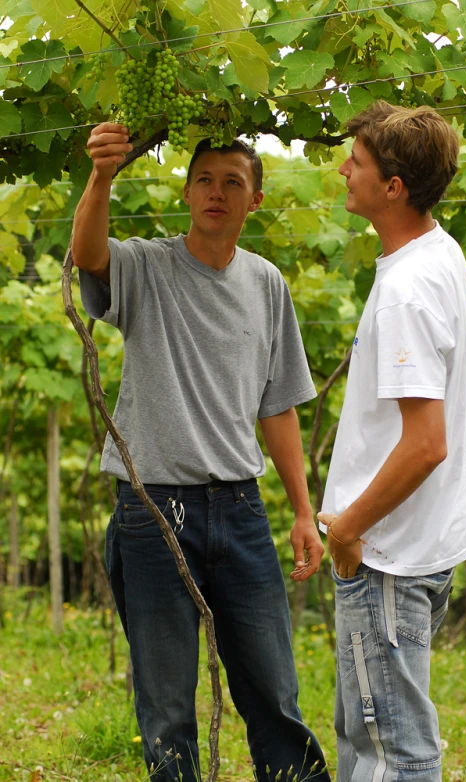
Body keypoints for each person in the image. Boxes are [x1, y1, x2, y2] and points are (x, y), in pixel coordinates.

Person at [72, 123, 331, 782]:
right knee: (165, 709)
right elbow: (89, 253)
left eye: (233, 183)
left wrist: (303, 512)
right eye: (205, 181)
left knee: (274, 697)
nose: (217, 193)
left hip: (241, 513)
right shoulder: (146, 266)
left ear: (255, 201)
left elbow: (276, 408)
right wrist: (102, 176)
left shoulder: (267, 284)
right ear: (186, 193)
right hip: (152, 512)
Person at [318, 102, 466, 782]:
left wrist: (348, 530)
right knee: (368, 732)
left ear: (392, 187)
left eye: (355, 163)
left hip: (387, 553)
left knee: (393, 751)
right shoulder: (435, 254)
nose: (341, 170)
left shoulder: (407, 289)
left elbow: (424, 444)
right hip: (417, 545)